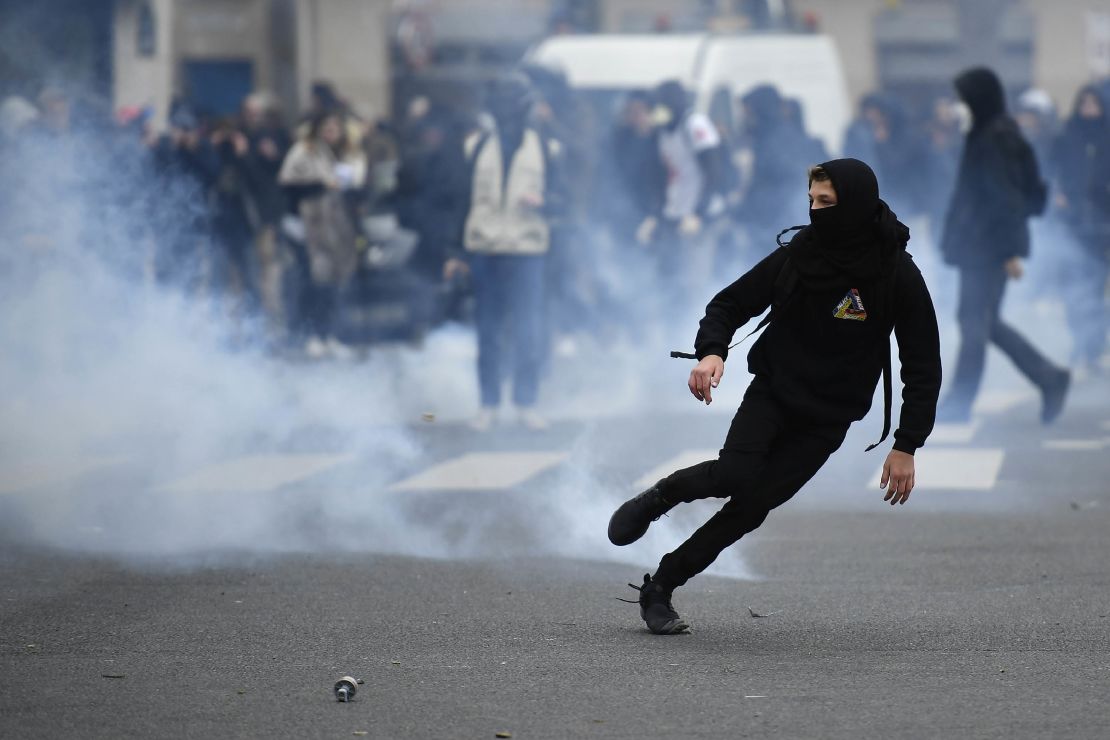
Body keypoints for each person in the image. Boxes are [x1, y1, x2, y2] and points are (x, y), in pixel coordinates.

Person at [608, 158, 942, 635]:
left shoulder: (896, 273)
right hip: (775, 392)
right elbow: (729, 303)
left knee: (750, 508)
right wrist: (711, 352)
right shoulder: (799, 256)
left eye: (826, 202)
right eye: (811, 201)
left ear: (855, 205)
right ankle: (662, 496)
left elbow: (923, 363)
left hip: (828, 417)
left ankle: (660, 587)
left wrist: (907, 443)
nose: (815, 211)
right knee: (734, 473)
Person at [937, 67, 1070, 423]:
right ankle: (1049, 377)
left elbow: (1006, 199)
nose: (958, 106)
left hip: (987, 247)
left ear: (978, 99)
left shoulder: (994, 137)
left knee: (973, 322)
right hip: (980, 246)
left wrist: (1008, 252)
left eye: (963, 99)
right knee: (985, 322)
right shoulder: (987, 133)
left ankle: (960, 402)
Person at [444, 72, 561, 431]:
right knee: (488, 331)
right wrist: (454, 252)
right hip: (485, 249)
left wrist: (543, 201)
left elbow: (567, 200)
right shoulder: (476, 146)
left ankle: (526, 402)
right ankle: (488, 405)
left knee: (528, 330)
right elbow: (460, 203)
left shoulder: (546, 147)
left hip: (527, 251)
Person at [278, 111, 367, 359]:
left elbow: (357, 188)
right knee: (314, 282)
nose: (330, 133)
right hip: (312, 224)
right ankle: (313, 334)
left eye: (334, 128)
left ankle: (335, 334)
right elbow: (289, 184)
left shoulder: (350, 154)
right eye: (326, 128)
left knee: (339, 284)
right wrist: (320, 184)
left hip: (340, 227)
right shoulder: (305, 152)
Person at [1049, 85, 1110, 373]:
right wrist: (1058, 194)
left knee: (1095, 288)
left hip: (1101, 225)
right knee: (1072, 286)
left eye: (1093, 103)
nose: (1088, 108)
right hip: (1071, 223)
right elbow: (1051, 171)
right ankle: (1077, 341)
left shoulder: (1107, 137)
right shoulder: (1067, 136)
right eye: (1083, 102)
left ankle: (1093, 348)